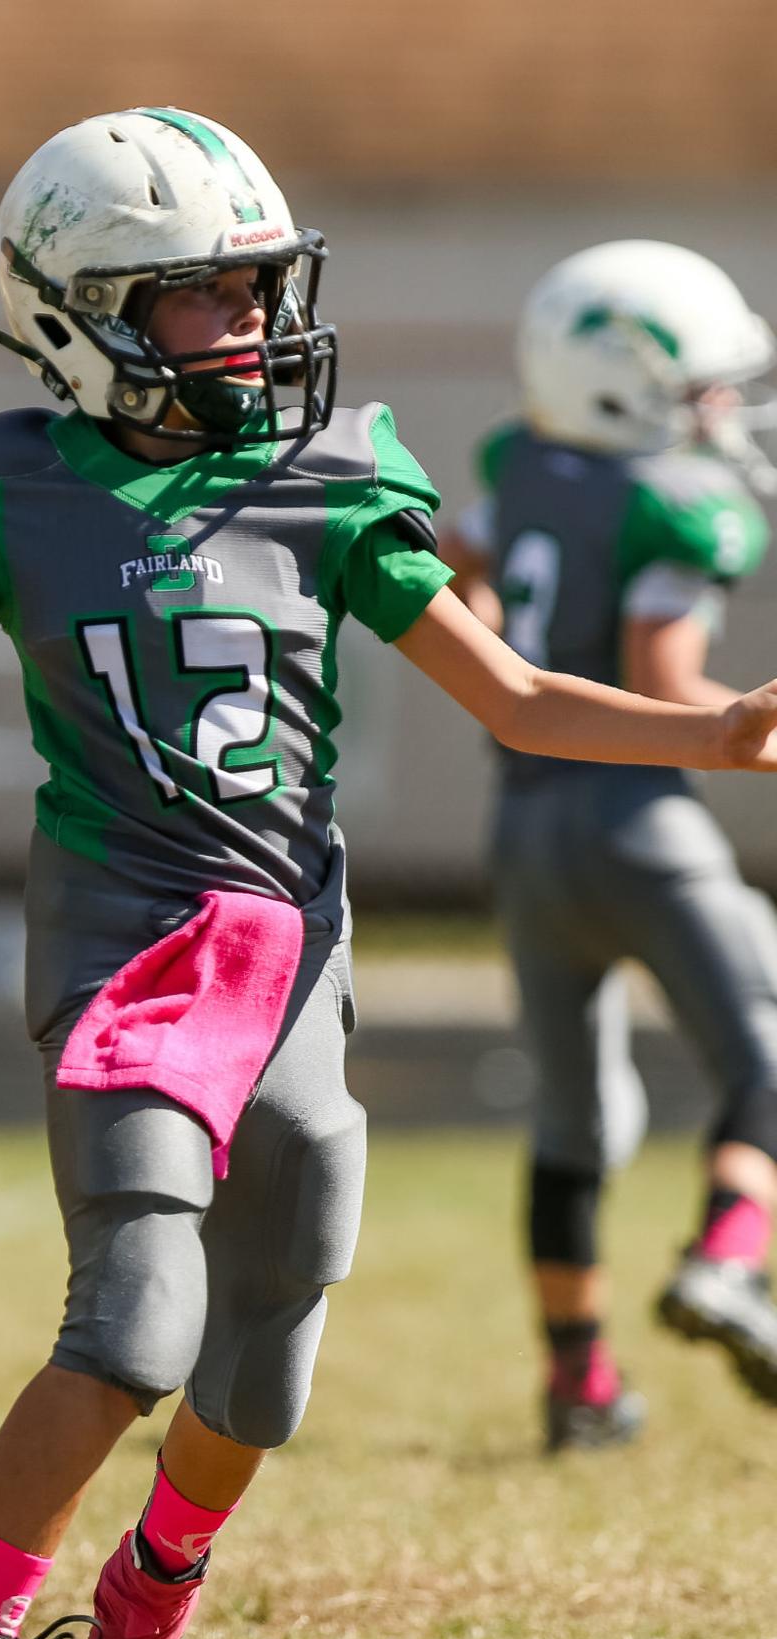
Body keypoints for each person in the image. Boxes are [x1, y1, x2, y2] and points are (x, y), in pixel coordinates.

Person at [0, 111, 777, 1639]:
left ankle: (152, 1590)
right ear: (88, 315)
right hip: (125, 949)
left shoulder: (325, 478)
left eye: (260, 285)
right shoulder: (13, 488)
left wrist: (718, 735)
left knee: (266, 1357)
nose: (254, 321)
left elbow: (518, 697)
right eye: (208, 293)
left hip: (287, 954)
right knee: (133, 1323)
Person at [439, 239, 777, 1454]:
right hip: (635, 824)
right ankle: (730, 1260)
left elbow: (458, 563)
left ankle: (578, 1380)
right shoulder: (673, 505)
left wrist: (506, 670)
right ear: (624, 387)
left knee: (572, 1121)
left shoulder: (524, 463)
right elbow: (662, 679)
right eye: (700, 387)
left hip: (525, 826)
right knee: (766, 1053)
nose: (721, 408)